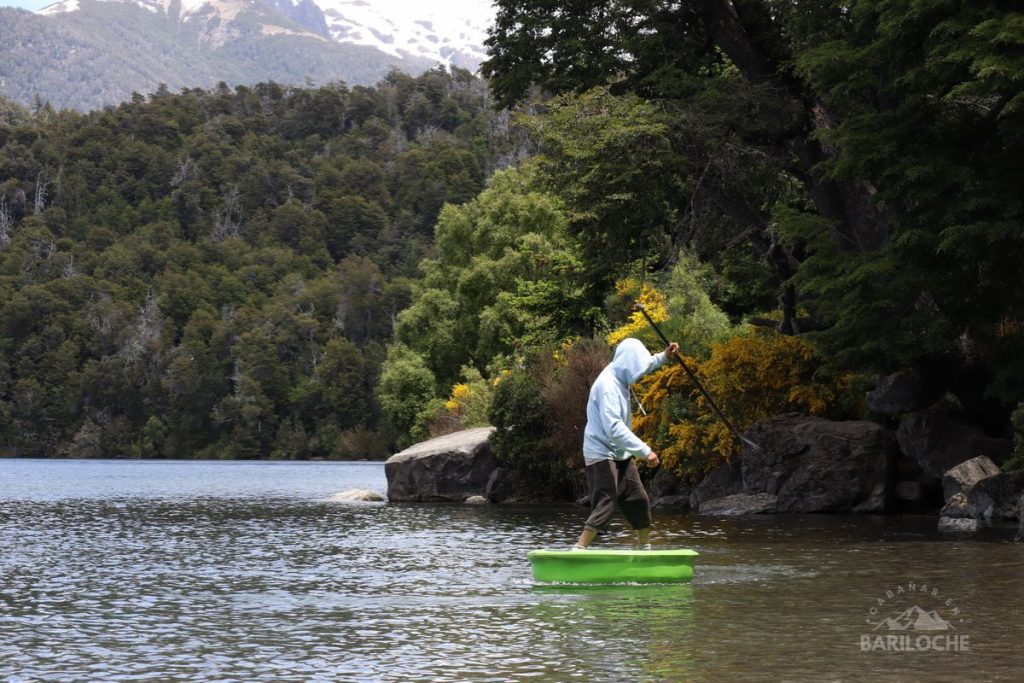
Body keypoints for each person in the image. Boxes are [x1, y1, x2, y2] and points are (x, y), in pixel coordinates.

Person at [574, 337, 679, 550]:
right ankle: (579, 548)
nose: (638, 373)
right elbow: (614, 429)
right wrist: (644, 451)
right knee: (608, 499)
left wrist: (664, 356)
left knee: (638, 498)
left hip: (620, 452)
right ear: (626, 363)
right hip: (601, 451)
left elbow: (646, 364)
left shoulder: (622, 370)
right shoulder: (607, 386)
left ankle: (644, 550)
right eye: (635, 367)